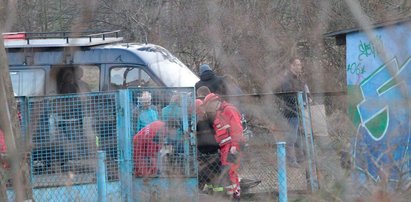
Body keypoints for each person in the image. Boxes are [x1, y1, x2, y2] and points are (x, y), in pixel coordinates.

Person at [202, 93, 245, 199]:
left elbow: (237, 129)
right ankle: (233, 194)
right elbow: (220, 134)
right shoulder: (218, 114)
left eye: (208, 106)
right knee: (228, 172)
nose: (209, 109)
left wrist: (235, 146)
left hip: (232, 147)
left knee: (230, 171)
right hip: (225, 148)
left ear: (214, 102)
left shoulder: (229, 110)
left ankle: (235, 196)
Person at [278, 57, 308, 168]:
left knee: (300, 136)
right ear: (291, 66)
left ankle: (301, 158)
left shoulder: (299, 79)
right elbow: (287, 95)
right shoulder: (287, 79)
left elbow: (304, 91)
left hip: (300, 111)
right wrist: (299, 101)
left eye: (300, 64)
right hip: (291, 111)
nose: (299, 67)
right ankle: (291, 160)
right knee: (291, 137)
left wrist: (306, 99)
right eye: (297, 64)